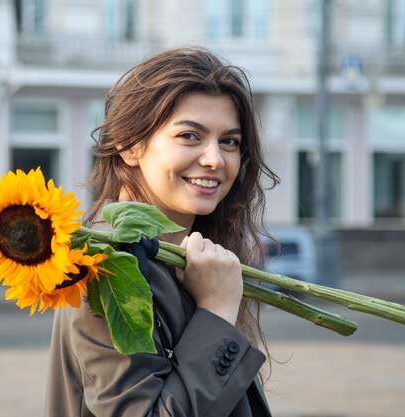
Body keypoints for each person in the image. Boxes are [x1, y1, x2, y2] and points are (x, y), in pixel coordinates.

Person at [45, 47, 280, 417]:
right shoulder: (103, 267)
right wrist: (217, 312)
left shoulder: (187, 260)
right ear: (129, 144)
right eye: (189, 136)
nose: (215, 159)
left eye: (229, 141)